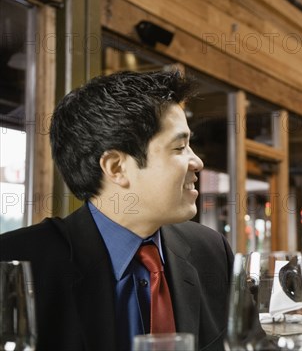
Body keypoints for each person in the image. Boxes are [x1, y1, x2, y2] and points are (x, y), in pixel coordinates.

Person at [0, 71, 233, 351]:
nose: (197, 161)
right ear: (116, 168)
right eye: (180, 147)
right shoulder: (16, 265)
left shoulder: (211, 250)